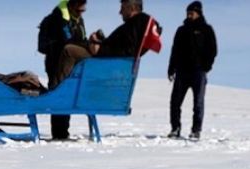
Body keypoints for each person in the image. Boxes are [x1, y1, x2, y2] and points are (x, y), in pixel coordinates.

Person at [50, 0, 160, 91]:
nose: (120, 12)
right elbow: (121, 47)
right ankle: (61, 89)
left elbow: (128, 51)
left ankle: (56, 91)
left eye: (122, 8)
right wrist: (99, 41)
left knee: (69, 51)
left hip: (104, 63)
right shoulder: (136, 24)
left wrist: (100, 50)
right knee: (75, 46)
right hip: (105, 60)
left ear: (131, 9)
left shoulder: (135, 24)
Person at [167, 1, 217, 140]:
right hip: (182, 71)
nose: (189, 15)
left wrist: (206, 66)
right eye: (187, 13)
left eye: (192, 13)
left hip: (198, 72)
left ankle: (196, 130)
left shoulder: (206, 29)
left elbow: (212, 50)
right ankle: (175, 128)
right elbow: (174, 51)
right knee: (175, 102)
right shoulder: (181, 30)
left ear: (198, 13)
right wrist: (171, 68)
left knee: (198, 103)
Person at [40, 0, 89, 140]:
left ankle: (62, 132)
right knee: (58, 93)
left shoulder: (76, 19)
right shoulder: (59, 18)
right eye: (80, 10)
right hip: (56, 64)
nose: (81, 13)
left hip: (70, 64)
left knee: (66, 94)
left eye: (83, 10)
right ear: (72, 5)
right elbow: (69, 42)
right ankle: (59, 134)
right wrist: (87, 44)